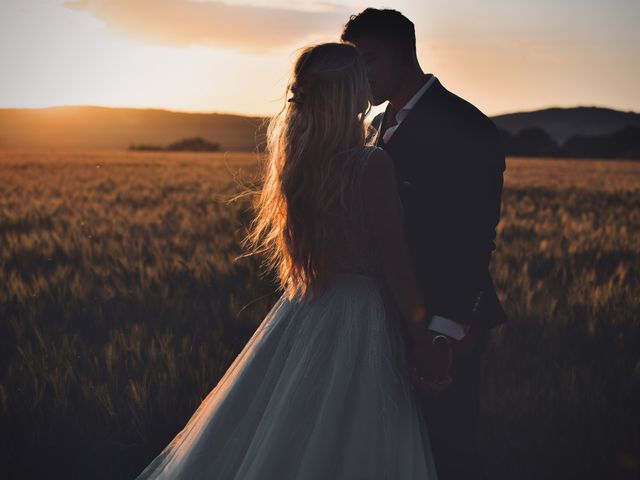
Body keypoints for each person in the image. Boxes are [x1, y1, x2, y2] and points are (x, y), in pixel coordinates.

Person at [133, 42, 444, 480]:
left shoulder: (300, 164)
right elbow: (398, 267)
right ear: (348, 92)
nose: (369, 87)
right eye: (362, 79)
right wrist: (421, 339)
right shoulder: (372, 165)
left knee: (291, 433)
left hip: (306, 308)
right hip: (363, 320)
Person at [341, 8, 508, 480]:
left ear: (403, 55)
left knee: (444, 452)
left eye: (368, 60)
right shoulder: (373, 126)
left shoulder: (465, 124)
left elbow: (476, 240)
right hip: (383, 321)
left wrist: (442, 332)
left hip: (444, 327)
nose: (360, 76)